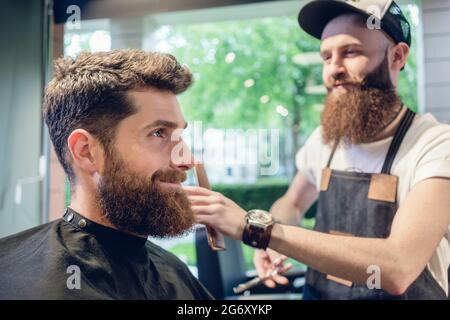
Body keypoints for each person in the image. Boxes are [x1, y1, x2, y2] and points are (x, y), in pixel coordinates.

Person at [184, 0, 450, 299]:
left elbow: (398, 266)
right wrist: (273, 241)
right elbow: (294, 203)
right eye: (326, 57)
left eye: (350, 52)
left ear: (397, 56)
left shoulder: (436, 145)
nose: (334, 69)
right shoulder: (326, 139)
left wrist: (262, 231)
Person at [0, 50, 213, 300]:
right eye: (158, 133)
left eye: (178, 136)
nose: (186, 160)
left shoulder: (171, 269)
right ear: (87, 151)